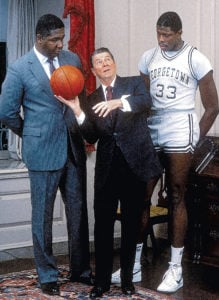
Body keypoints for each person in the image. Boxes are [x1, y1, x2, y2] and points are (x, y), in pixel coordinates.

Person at [111, 11, 219, 293]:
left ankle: (175, 269)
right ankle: (132, 263)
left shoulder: (196, 58)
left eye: (167, 35)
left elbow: (212, 107)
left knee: (176, 196)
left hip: (180, 126)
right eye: (158, 33)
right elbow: (143, 99)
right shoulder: (148, 58)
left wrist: (194, 138)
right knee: (140, 197)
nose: (161, 39)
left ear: (179, 32)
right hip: (152, 125)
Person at [55, 47, 162, 298]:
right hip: (106, 169)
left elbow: (147, 102)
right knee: (102, 227)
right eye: (98, 62)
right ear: (92, 71)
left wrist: (118, 102)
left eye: (108, 60)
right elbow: (91, 135)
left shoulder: (134, 84)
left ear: (114, 63)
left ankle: (127, 281)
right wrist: (77, 111)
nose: (104, 64)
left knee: (130, 225)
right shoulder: (91, 99)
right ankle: (101, 282)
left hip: (134, 166)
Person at [0, 14, 94, 296]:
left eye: (61, 38)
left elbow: (80, 100)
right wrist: (31, 134)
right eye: (54, 39)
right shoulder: (19, 69)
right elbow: (6, 112)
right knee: (42, 215)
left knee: (78, 212)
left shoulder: (72, 60)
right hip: (41, 151)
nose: (59, 44)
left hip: (73, 148)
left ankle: (81, 270)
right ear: (39, 38)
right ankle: (47, 274)